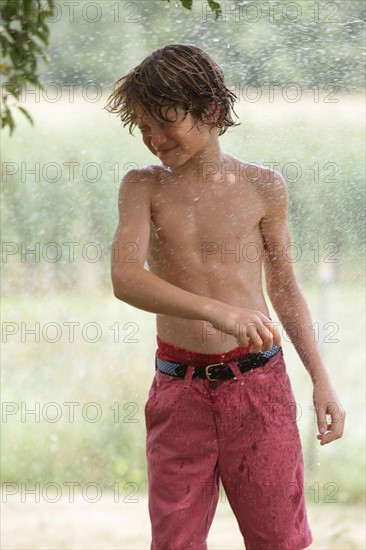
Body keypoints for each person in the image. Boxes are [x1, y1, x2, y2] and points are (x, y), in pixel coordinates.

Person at [105, 44, 346, 550]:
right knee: (175, 542)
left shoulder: (263, 187)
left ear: (210, 112)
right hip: (178, 390)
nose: (152, 140)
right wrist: (219, 311)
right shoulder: (141, 188)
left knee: (279, 539)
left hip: (259, 387)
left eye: (164, 124)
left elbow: (283, 288)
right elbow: (125, 277)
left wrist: (321, 380)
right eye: (142, 127)